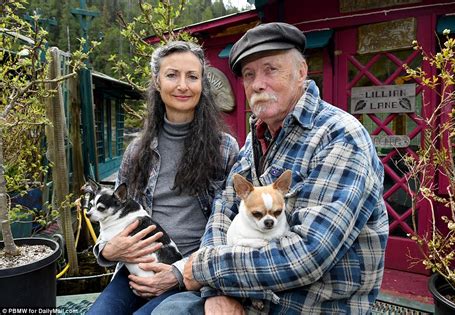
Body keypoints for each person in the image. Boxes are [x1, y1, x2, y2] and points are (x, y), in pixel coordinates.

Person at [152, 22, 389, 314]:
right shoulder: (257, 137)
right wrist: (215, 290)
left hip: (308, 306)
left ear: (302, 72)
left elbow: (308, 255)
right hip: (245, 295)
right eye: (249, 74)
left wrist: (202, 269)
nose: (257, 83)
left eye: (270, 69)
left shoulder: (339, 137)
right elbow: (221, 211)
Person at [87, 41, 239, 315]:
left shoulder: (224, 148)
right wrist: (108, 251)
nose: (183, 85)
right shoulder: (137, 151)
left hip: (193, 272)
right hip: (135, 267)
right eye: (172, 75)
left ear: (202, 84)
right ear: (157, 82)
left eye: (192, 76)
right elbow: (111, 218)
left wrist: (180, 272)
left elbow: (233, 225)